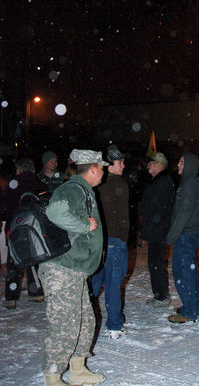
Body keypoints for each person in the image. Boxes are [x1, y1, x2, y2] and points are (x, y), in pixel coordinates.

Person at [38, 150, 106, 386]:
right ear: (94, 169)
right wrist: (84, 226)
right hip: (61, 270)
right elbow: (55, 211)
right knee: (64, 325)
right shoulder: (74, 188)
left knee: (85, 321)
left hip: (74, 271)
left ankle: (77, 368)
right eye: (102, 168)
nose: (104, 172)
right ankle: (53, 376)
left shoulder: (83, 190)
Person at [90, 146, 129, 339]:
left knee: (96, 282)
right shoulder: (117, 184)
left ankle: (84, 320)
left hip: (101, 241)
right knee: (113, 283)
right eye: (119, 162)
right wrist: (122, 238)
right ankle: (114, 325)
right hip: (113, 241)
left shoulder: (98, 184)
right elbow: (119, 217)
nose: (123, 165)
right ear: (109, 164)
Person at [166, 153, 199, 324]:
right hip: (187, 234)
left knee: (184, 273)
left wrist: (171, 237)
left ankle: (189, 311)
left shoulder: (189, 184)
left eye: (182, 162)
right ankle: (190, 306)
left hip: (185, 235)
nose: (178, 165)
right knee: (185, 272)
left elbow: (184, 213)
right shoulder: (190, 182)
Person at [3, 158, 44, 308]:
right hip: (33, 228)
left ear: (19, 169)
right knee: (33, 259)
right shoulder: (38, 184)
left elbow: (5, 206)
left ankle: (11, 296)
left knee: (13, 262)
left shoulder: (13, 184)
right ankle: (36, 291)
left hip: (14, 228)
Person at [141, 152, 175, 307]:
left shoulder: (162, 182)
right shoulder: (158, 181)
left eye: (151, 163)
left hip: (158, 229)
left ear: (159, 164)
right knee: (154, 262)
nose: (148, 167)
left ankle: (161, 296)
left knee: (156, 263)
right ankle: (159, 294)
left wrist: (152, 227)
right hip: (156, 228)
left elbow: (158, 209)